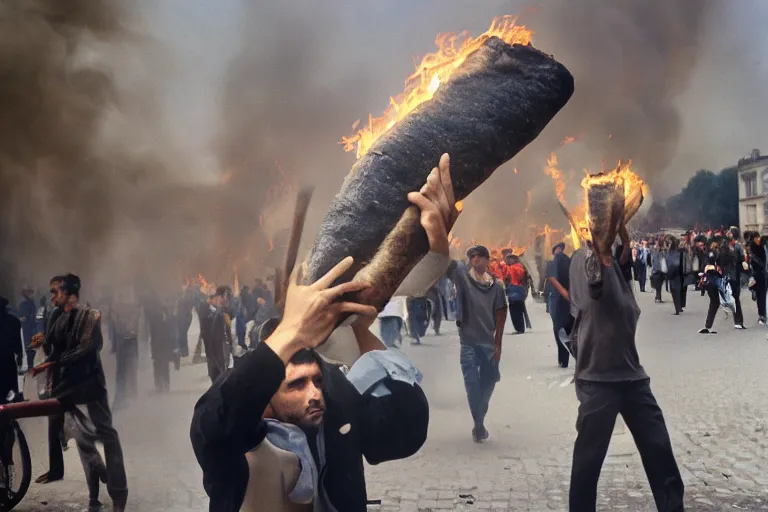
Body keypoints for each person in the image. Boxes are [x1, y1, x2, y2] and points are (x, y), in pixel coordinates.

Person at [190, 152, 458, 511]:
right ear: (266, 399)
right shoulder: (235, 434)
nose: (313, 393)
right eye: (295, 385)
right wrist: (292, 332)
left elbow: (404, 429)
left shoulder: (336, 408)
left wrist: (359, 322)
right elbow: (214, 419)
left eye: (314, 380)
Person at [568, 226, 683, 511]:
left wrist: (625, 238)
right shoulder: (586, 261)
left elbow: (620, 262)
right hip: (598, 379)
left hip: (633, 377)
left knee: (659, 449)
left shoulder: (619, 271)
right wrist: (599, 244)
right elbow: (594, 283)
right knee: (588, 461)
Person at [32, 274, 128, 512]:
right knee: (62, 423)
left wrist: (54, 363)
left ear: (71, 297)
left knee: (108, 434)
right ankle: (59, 470)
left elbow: (88, 348)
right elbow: (54, 346)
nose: (52, 296)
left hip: (89, 383)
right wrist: (42, 344)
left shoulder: (90, 317)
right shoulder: (55, 315)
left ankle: (119, 493)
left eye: (57, 292)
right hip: (65, 383)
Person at [449, 243, 507, 443]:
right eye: (472, 257)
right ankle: (479, 425)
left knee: (488, 383)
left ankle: (480, 416)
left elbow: (501, 316)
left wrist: (498, 345)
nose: (475, 260)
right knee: (472, 383)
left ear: (487, 260)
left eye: (480, 257)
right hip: (468, 342)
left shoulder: (496, 286)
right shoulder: (463, 279)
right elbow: (451, 266)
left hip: (488, 344)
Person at [110, 288, 141, 412]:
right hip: (127, 341)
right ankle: (128, 396)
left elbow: (117, 326)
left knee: (123, 370)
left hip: (125, 342)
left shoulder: (120, 308)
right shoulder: (133, 308)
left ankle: (124, 397)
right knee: (128, 369)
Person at [198, 286, 234, 383]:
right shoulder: (206, 310)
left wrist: (230, 348)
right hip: (214, 352)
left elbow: (226, 333)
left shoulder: (222, 312)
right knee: (217, 379)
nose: (225, 300)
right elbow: (206, 332)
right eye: (224, 297)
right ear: (217, 296)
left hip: (223, 353)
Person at [546, 242, 572, 368]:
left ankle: (563, 359)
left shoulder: (552, 262)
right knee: (569, 327)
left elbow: (549, 281)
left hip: (557, 298)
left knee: (558, 328)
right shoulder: (569, 260)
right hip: (568, 298)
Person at [504, 253, 528, 334]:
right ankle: (519, 328)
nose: (506, 261)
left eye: (508, 259)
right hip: (514, 291)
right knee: (514, 310)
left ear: (513, 259)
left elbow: (520, 277)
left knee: (516, 310)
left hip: (516, 291)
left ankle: (520, 329)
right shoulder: (514, 267)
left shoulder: (517, 267)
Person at [746, 231, 766, 325]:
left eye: (759, 237)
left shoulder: (763, 247)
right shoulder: (751, 250)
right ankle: (761, 315)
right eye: (756, 238)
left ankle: (763, 315)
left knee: (762, 295)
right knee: (759, 296)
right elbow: (751, 264)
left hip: (764, 274)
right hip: (757, 275)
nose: (758, 239)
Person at [18, 286, 37, 372]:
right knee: (28, 346)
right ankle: (30, 366)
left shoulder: (28, 303)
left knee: (29, 346)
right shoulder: (28, 303)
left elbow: (23, 317)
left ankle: (30, 366)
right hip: (28, 327)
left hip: (29, 327)